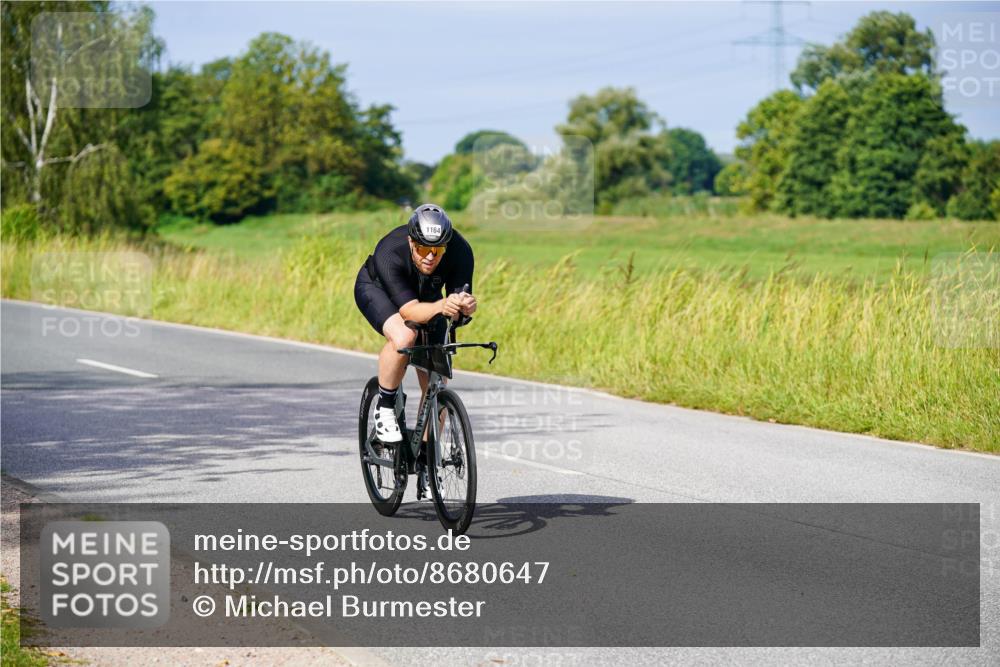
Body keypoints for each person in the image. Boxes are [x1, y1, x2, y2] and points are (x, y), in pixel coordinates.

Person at [354, 204, 476, 443]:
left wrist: (464, 309)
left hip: (427, 298)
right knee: (404, 337)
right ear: (411, 242)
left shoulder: (460, 251)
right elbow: (410, 312)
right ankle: (385, 406)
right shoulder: (390, 250)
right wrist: (442, 306)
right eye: (422, 248)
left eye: (438, 250)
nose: (430, 257)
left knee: (437, 383)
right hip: (377, 290)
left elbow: (456, 304)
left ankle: (427, 458)